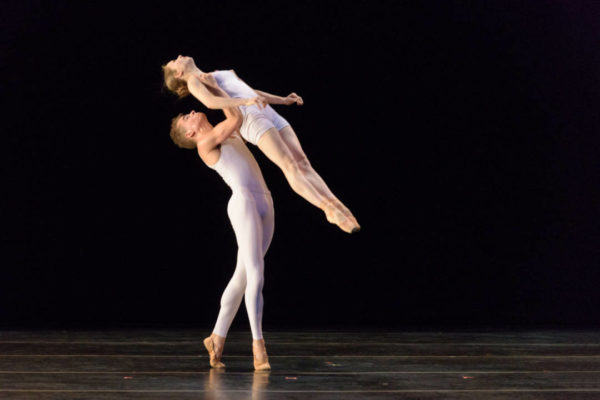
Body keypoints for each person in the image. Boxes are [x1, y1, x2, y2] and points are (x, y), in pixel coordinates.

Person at [163, 55, 360, 234]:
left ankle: (339, 207)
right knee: (289, 165)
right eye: (175, 61)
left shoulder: (214, 74)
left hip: (262, 109)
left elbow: (248, 89)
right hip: (249, 117)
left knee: (302, 162)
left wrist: (282, 100)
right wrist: (246, 101)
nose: (179, 56)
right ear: (179, 73)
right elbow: (211, 102)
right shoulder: (193, 82)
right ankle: (328, 209)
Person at [169, 91, 273, 370]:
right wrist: (213, 92)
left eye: (188, 111)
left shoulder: (218, 130)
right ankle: (258, 345)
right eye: (186, 118)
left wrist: (215, 88)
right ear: (190, 133)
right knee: (255, 272)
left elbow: (234, 113)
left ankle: (216, 337)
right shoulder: (205, 142)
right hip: (243, 202)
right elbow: (236, 114)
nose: (191, 113)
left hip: (265, 201)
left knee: (241, 277)